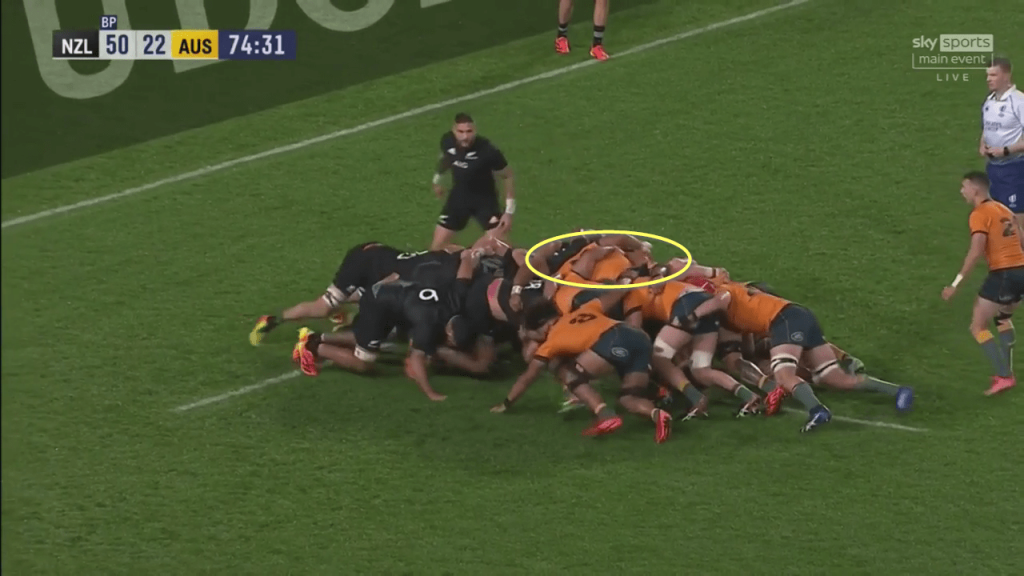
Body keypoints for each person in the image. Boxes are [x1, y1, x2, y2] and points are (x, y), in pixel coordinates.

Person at [942, 171, 1024, 395]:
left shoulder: (979, 214)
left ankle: (1004, 376)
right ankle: (1006, 371)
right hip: (1021, 272)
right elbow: (1022, 239)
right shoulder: (1003, 209)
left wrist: (956, 283)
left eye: (964, 187)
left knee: (978, 326)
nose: (962, 191)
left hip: (1004, 274)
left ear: (975, 189)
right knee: (1003, 317)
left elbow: (976, 251)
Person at [431, 113, 515, 250]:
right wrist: (437, 180)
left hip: (485, 201)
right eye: (461, 132)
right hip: (458, 198)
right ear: (454, 130)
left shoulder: (488, 151)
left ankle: (474, 254)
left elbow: (508, 175)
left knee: (502, 248)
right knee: (436, 248)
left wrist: (509, 212)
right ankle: (468, 255)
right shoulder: (447, 141)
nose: (465, 136)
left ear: (475, 130)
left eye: (469, 131)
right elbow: (446, 158)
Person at [979, 57, 1024, 230]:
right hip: (993, 168)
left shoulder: (1019, 102)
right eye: (987, 75)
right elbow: (988, 127)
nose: (988, 79)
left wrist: (1005, 150)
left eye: (993, 75)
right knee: (997, 220)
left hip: (1014, 169)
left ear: (1006, 75)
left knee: (1016, 222)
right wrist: (983, 143)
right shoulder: (989, 101)